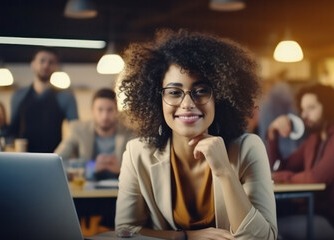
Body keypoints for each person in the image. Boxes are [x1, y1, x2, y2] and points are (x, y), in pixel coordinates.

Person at [115, 29, 277, 240]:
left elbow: (264, 238)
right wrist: (185, 237)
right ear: (157, 100)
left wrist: (224, 172)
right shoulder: (138, 153)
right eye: (174, 92)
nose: (188, 104)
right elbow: (125, 231)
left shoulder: (248, 148)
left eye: (201, 90)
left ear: (220, 97)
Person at [267, 83, 334, 240]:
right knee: (262, 221)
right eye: (303, 109)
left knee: (267, 231)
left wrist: (280, 176)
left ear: (328, 107)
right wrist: (272, 133)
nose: (304, 115)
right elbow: (281, 167)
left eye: (311, 108)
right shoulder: (315, 138)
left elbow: (315, 178)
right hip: (309, 211)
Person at [7, 47, 78, 153]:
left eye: (51, 62)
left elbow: (76, 131)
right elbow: (12, 130)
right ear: (33, 64)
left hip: (53, 157)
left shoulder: (66, 97)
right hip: (24, 158)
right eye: (42, 61)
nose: (46, 65)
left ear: (56, 66)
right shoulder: (18, 96)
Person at [55, 88, 135, 180]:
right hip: (87, 191)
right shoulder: (78, 130)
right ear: (92, 111)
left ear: (116, 111)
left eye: (110, 110)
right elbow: (56, 163)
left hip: (120, 190)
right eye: (100, 110)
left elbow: (140, 167)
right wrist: (91, 167)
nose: (105, 116)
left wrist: (121, 169)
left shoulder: (129, 132)